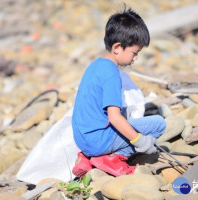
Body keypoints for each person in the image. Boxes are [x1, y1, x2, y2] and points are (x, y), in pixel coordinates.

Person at [71, 6, 166, 177]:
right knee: (159, 124)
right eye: (134, 53)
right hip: (98, 140)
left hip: (82, 139)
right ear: (117, 47)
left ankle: (87, 157)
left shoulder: (95, 66)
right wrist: (140, 141)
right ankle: (112, 158)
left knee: (124, 118)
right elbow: (114, 117)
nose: (135, 58)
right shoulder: (112, 74)